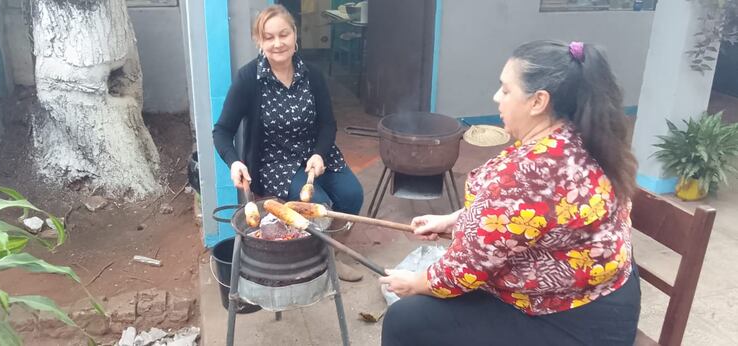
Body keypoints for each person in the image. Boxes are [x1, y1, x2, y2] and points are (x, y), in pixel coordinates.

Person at [378, 40, 641, 345]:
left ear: (538, 101)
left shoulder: (530, 172)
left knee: (406, 318)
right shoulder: (579, 135)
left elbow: (463, 271)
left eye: (505, 90)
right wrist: (454, 220)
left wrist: (416, 282)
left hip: (572, 320)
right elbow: (527, 214)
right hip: (604, 297)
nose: (496, 97)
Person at [213, 5, 364, 281]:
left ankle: (333, 253)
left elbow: (328, 123)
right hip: (275, 161)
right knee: (318, 204)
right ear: (259, 42)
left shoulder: (313, 75)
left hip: (316, 154)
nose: (277, 43)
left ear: (295, 36)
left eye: (284, 34)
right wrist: (234, 161)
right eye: (268, 37)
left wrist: (319, 154)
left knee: (353, 194)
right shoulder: (249, 79)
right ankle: (320, 260)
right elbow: (222, 131)